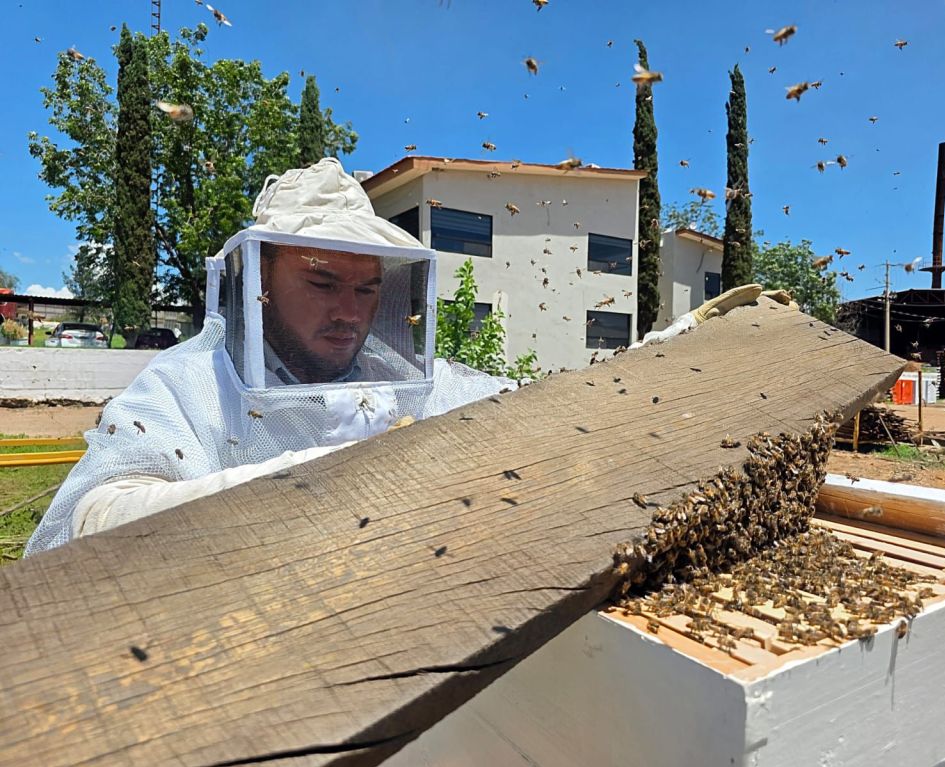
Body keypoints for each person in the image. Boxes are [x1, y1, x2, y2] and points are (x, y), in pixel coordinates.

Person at [25, 158, 784, 554]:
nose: (351, 311)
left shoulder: (402, 381)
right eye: (322, 280)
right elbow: (83, 525)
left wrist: (667, 358)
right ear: (254, 284)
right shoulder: (189, 385)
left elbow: (539, 409)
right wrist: (302, 484)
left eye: (365, 289)